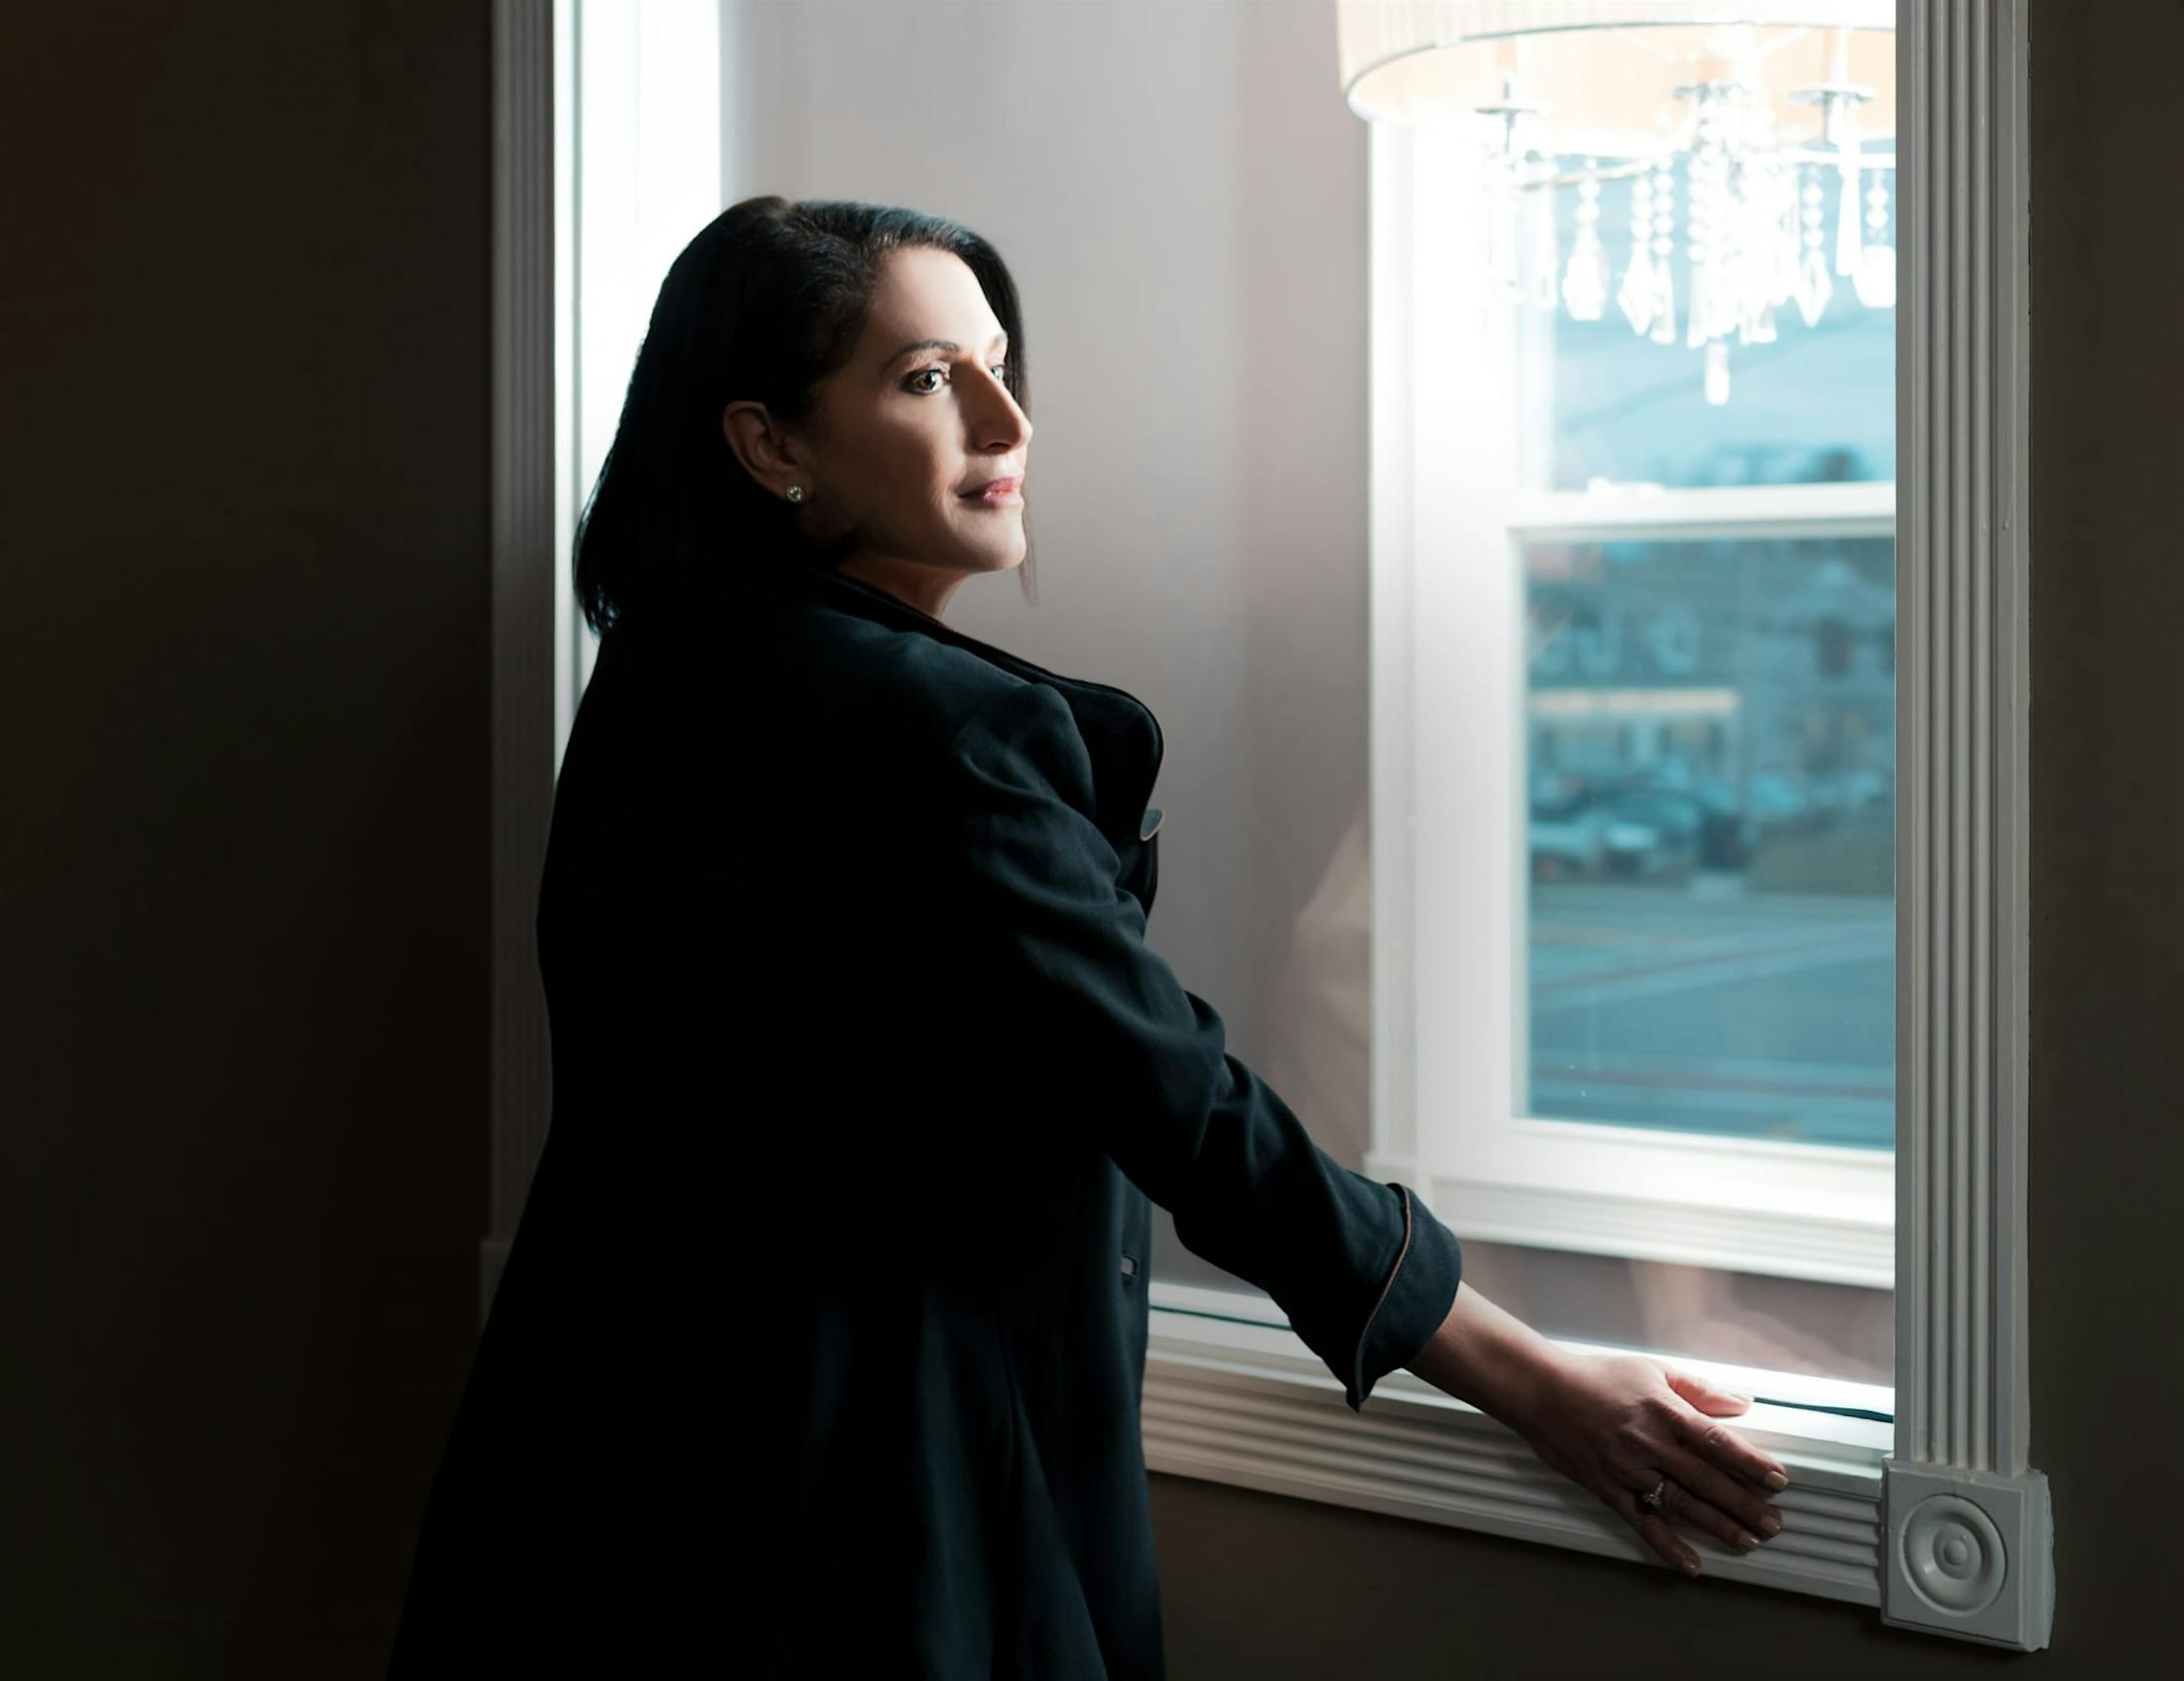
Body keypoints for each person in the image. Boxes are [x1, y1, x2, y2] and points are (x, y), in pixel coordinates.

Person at [386, 196, 1792, 1677]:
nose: (1008, 418)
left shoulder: (663, 678)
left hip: (583, 1481)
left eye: (1001, 365)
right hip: (862, 1529)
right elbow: (1189, 1111)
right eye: (927, 378)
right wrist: (1539, 1380)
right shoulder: (938, 738)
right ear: (770, 445)